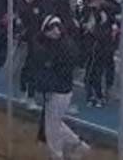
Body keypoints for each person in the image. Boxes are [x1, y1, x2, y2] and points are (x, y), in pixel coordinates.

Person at [36, 15, 91, 160]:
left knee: (51, 128)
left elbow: (57, 70)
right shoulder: (59, 44)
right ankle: (78, 145)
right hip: (59, 90)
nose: (52, 33)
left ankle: (58, 155)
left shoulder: (63, 47)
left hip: (59, 92)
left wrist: (48, 87)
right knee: (54, 123)